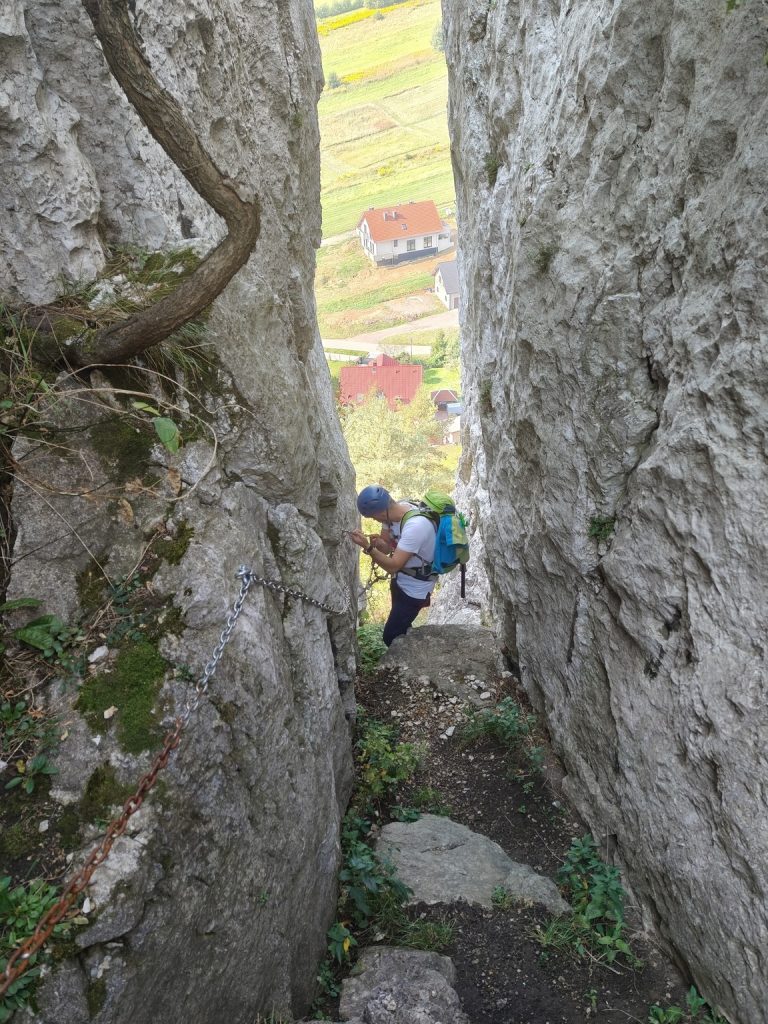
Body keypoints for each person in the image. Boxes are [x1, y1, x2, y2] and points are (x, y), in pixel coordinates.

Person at [350, 485, 437, 647]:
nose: (375, 521)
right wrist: (378, 544)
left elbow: (393, 566)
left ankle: (415, 657)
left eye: (373, 517)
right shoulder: (391, 515)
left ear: (381, 513)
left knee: (391, 636)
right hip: (400, 580)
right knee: (401, 626)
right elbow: (387, 548)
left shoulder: (415, 526)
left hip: (415, 588)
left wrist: (367, 547)